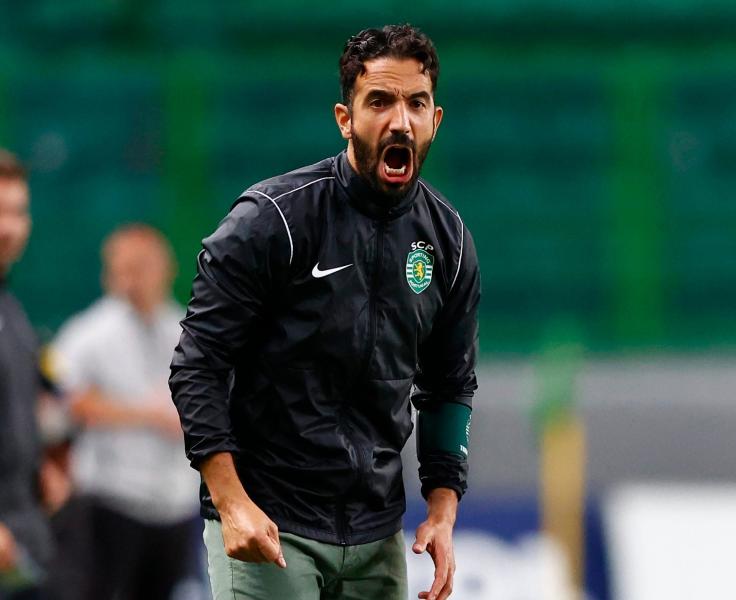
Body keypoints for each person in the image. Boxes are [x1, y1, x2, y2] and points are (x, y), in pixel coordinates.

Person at [169, 23, 480, 600]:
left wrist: (442, 507)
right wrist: (231, 503)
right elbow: (197, 366)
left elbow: (449, 385)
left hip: (377, 532)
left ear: (436, 119)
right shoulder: (272, 221)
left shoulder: (449, 242)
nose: (400, 121)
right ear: (345, 118)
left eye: (417, 103)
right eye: (380, 102)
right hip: (270, 525)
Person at [51, 224, 199, 600]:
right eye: (126, 268)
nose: (135, 279)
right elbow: (63, 401)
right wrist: (146, 415)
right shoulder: (87, 333)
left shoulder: (185, 330)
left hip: (174, 503)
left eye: (144, 266)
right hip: (111, 499)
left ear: (166, 269)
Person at [0, 149, 52, 600]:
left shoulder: (12, 312)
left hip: (24, 540)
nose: (7, 226)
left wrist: (46, 469)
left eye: (17, 211)